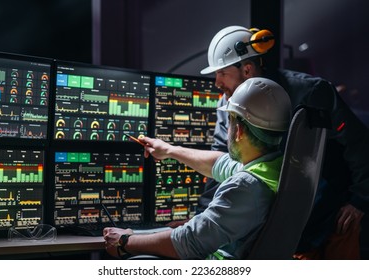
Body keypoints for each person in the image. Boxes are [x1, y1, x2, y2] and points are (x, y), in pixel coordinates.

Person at [192, 25, 369, 259]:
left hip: (325, 218)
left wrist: (359, 199)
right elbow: (219, 159)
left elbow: (358, 142)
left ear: (246, 69)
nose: (217, 83)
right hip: (271, 219)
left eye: (222, 73)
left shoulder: (310, 93)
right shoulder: (228, 104)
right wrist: (201, 218)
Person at [103, 77, 292, 259]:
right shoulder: (276, 168)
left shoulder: (245, 186)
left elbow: (187, 243)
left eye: (230, 121)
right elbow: (218, 164)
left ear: (239, 131)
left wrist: (125, 241)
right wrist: (169, 150)